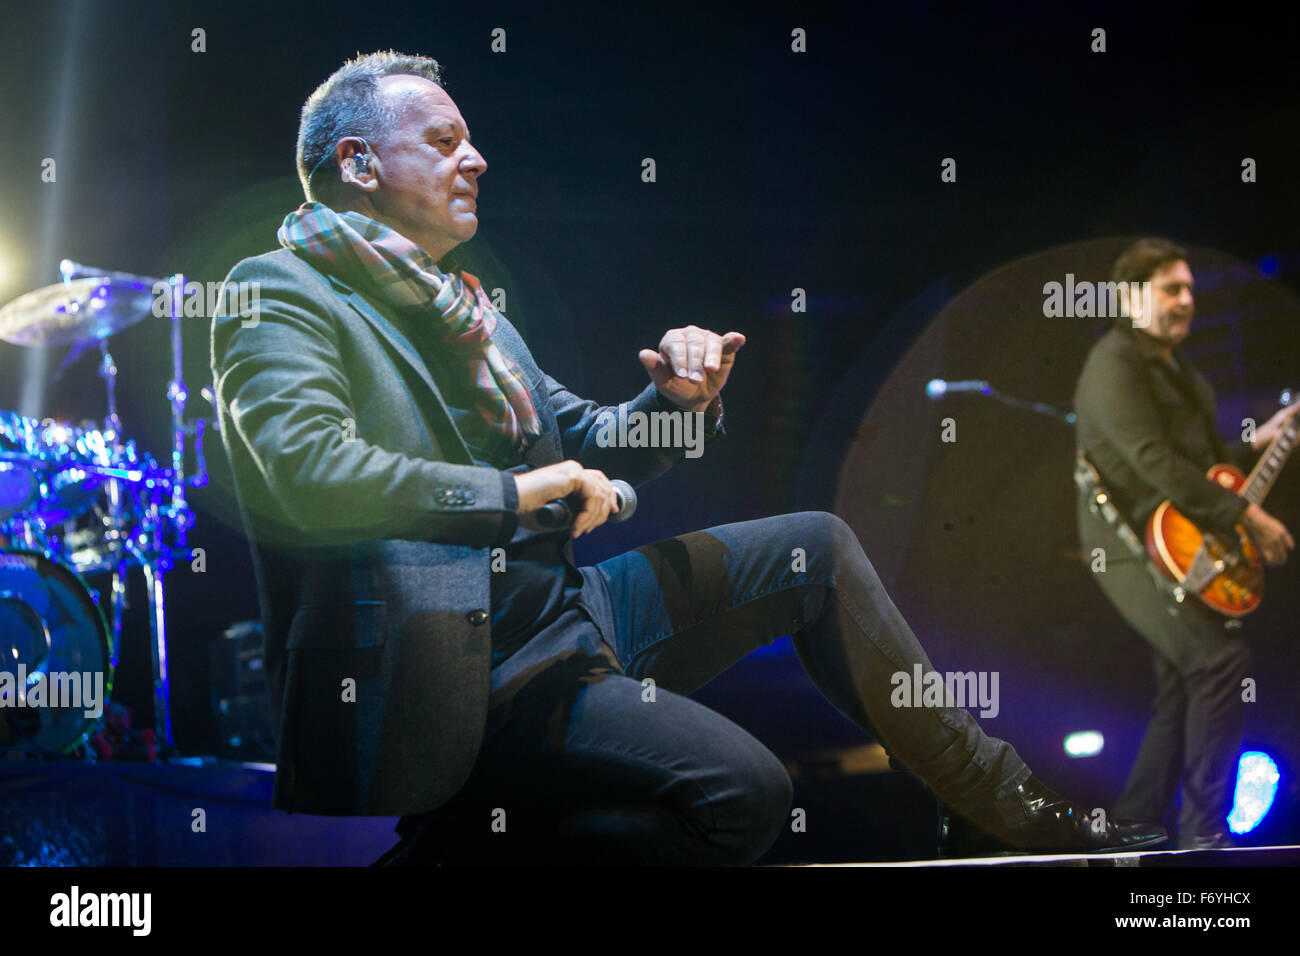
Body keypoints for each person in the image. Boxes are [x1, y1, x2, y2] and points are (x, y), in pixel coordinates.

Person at [210, 50, 1166, 864]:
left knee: (815, 548)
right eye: (446, 140)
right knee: (744, 794)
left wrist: (674, 404)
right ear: (359, 162)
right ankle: (455, 846)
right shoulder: (280, 290)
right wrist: (513, 494)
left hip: (570, 616)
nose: (477, 157)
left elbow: (584, 440)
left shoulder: (467, 307)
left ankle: (1010, 812)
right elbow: (307, 468)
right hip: (454, 666)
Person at [1073, 238, 1296, 849]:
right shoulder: (1113, 364)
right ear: (1130, 297)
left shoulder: (1183, 374)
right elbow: (1152, 461)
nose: (1187, 300)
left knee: (1180, 686)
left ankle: (1130, 836)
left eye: (1190, 289)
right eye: (1171, 288)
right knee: (1219, 663)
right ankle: (1204, 836)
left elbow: (1203, 468)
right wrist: (1249, 518)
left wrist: (1259, 442)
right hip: (1127, 546)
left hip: (1178, 541)